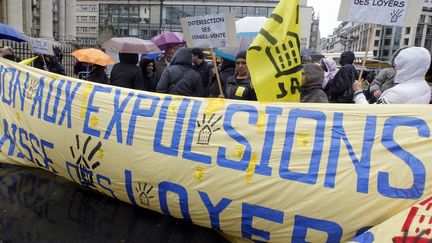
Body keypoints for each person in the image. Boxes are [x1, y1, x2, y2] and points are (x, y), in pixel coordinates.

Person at [353, 47, 431, 104]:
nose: (395, 69)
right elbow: (376, 82)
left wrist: (358, 92)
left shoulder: (398, 94)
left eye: (397, 66)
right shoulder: (425, 86)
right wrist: (375, 89)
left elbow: (370, 113)